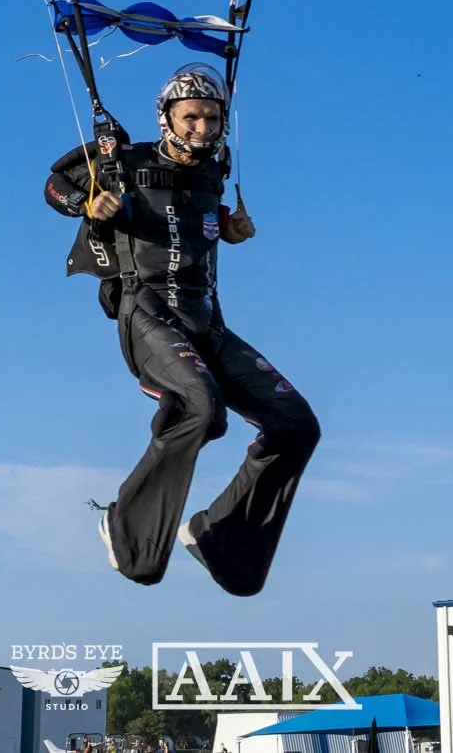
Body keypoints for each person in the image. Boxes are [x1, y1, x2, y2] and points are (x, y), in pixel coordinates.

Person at [44, 63, 319, 595]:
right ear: (167, 116)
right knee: (201, 408)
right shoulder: (124, 162)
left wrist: (232, 229)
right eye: (191, 116)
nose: (201, 128)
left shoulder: (213, 172)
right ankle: (125, 526)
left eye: (212, 118)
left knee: (296, 424)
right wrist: (87, 203)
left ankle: (220, 537)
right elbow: (53, 186)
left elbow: (196, 224)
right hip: (146, 314)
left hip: (207, 323)